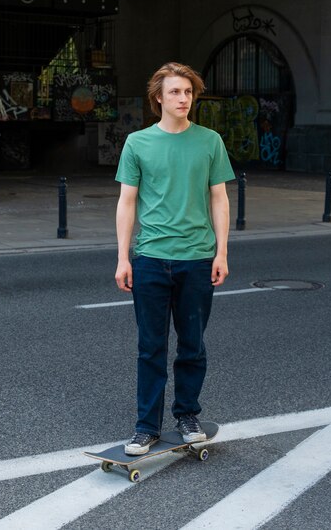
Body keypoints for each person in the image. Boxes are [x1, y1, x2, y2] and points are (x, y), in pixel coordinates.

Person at [115, 61, 235, 455]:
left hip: (198, 259)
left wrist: (222, 251)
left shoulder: (210, 141)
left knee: (192, 344)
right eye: (175, 92)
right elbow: (127, 202)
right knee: (150, 347)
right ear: (158, 99)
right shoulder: (137, 143)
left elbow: (219, 197)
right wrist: (123, 258)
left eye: (188, 92)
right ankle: (146, 427)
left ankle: (187, 415)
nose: (183, 99)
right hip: (150, 258)